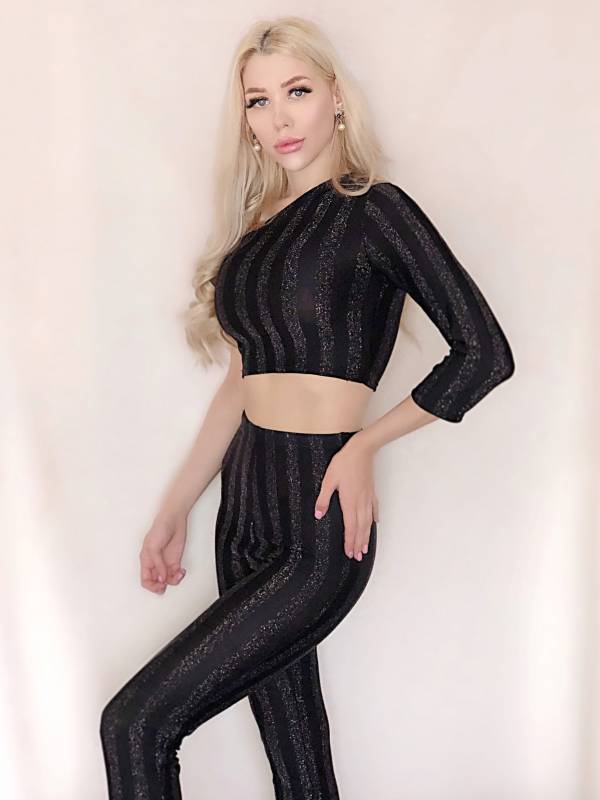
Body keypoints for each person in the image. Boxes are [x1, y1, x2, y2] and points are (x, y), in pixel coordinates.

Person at [100, 15, 515, 800]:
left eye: (297, 91)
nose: (279, 118)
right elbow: (240, 385)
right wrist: (177, 506)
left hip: (319, 514)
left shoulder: (376, 210)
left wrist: (364, 445)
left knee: (136, 725)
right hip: (243, 509)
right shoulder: (254, 235)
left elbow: (484, 353)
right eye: (258, 101)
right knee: (298, 767)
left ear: (336, 98)